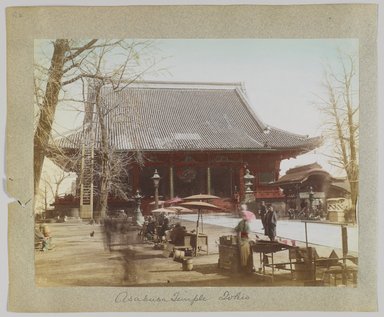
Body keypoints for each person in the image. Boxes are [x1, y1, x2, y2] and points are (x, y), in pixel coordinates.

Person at [234, 207, 254, 273]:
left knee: (247, 251)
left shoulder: (242, 222)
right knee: (246, 252)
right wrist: (240, 241)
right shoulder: (244, 223)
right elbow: (240, 232)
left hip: (243, 239)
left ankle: (247, 266)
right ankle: (246, 266)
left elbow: (236, 230)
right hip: (243, 240)